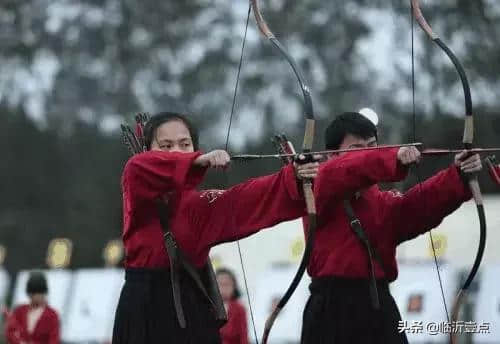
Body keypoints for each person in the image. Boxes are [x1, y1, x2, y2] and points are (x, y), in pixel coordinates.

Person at [112, 111, 320, 344]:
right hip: (145, 311)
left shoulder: (199, 205)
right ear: (147, 149)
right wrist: (197, 160)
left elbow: (244, 198)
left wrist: (293, 177)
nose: (177, 152)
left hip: (192, 312)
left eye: (185, 144)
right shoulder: (136, 183)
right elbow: (137, 167)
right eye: (166, 145)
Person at [300, 112, 482, 344]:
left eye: (373, 146)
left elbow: (415, 208)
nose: (367, 152)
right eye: (357, 147)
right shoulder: (318, 186)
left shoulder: (380, 202)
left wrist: (458, 176)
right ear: (332, 154)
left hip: (378, 307)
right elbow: (346, 170)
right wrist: (391, 157)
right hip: (331, 311)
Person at [5, 272, 60, 344]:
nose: (41, 297)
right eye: (37, 294)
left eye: (42, 294)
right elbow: (10, 332)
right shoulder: (19, 311)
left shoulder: (52, 315)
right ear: (30, 294)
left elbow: (54, 340)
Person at [216, 268, 248, 344]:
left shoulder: (239, 309)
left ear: (234, 287)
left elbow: (243, 337)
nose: (223, 288)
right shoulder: (207, 307)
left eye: (227, 284)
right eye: (220, 284)